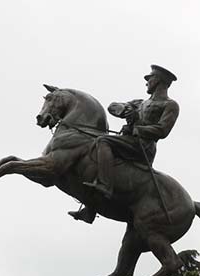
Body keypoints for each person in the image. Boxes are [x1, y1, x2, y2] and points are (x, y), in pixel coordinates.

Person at [69, 64, 179, 223]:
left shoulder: (170, 105)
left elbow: (163, 130)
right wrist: (125, 110)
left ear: (159, 81)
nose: (147, 81)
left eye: (150, 78)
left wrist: (139, 129)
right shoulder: (140, 103)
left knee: (103, 140)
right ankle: (91, 210)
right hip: (128, 141)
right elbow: (112, 106)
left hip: (143, 147)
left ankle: (105, 186)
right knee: (96, 153)